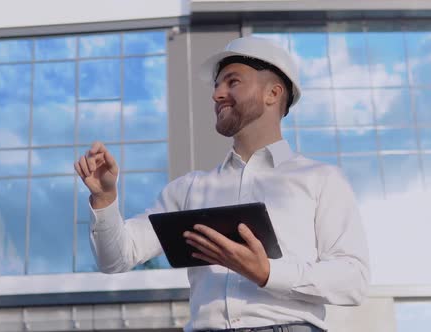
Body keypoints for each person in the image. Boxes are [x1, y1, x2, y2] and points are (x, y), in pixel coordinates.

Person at [74, 36, 370, 332]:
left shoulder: (320, 179)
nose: (217, 94)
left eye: (232, 82)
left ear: (272, 93)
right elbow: (115, 259)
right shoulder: (188, 189)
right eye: (216, 86)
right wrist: (105, 198)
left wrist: (267, 272)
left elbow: (353, 280)